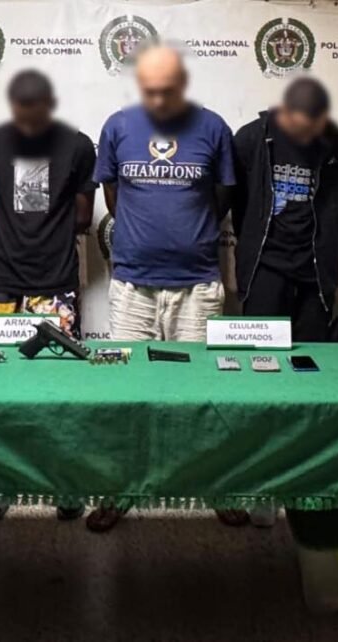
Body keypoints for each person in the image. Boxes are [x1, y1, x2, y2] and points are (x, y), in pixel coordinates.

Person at [89, 45, 236, 532]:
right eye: (149, 90)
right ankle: (118, 488)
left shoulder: (213, 128)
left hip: (197, 283)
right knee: (124, 391)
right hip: (133, 282)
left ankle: (215, 486)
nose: (158, 99)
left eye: (166, 90)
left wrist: (185, 233)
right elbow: (113, 196)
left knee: (203, 392)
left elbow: (220, 197)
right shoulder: (117, 127)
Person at [0, 69, 98, 524]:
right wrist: (9, 241)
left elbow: (84, 216)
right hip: (2, 282)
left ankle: (64, 483)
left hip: (55, 282)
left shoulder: (79, 147)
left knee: (60, 389)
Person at [232, 77, 338, 528]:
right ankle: (260, 482)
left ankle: (305, 481)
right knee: (260, 380)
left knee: (309, 382)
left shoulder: (336, 144)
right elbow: (241, 205)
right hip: (266, 271)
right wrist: (252, 255)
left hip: (315, 277)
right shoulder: (252, 139)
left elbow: (336, 205)